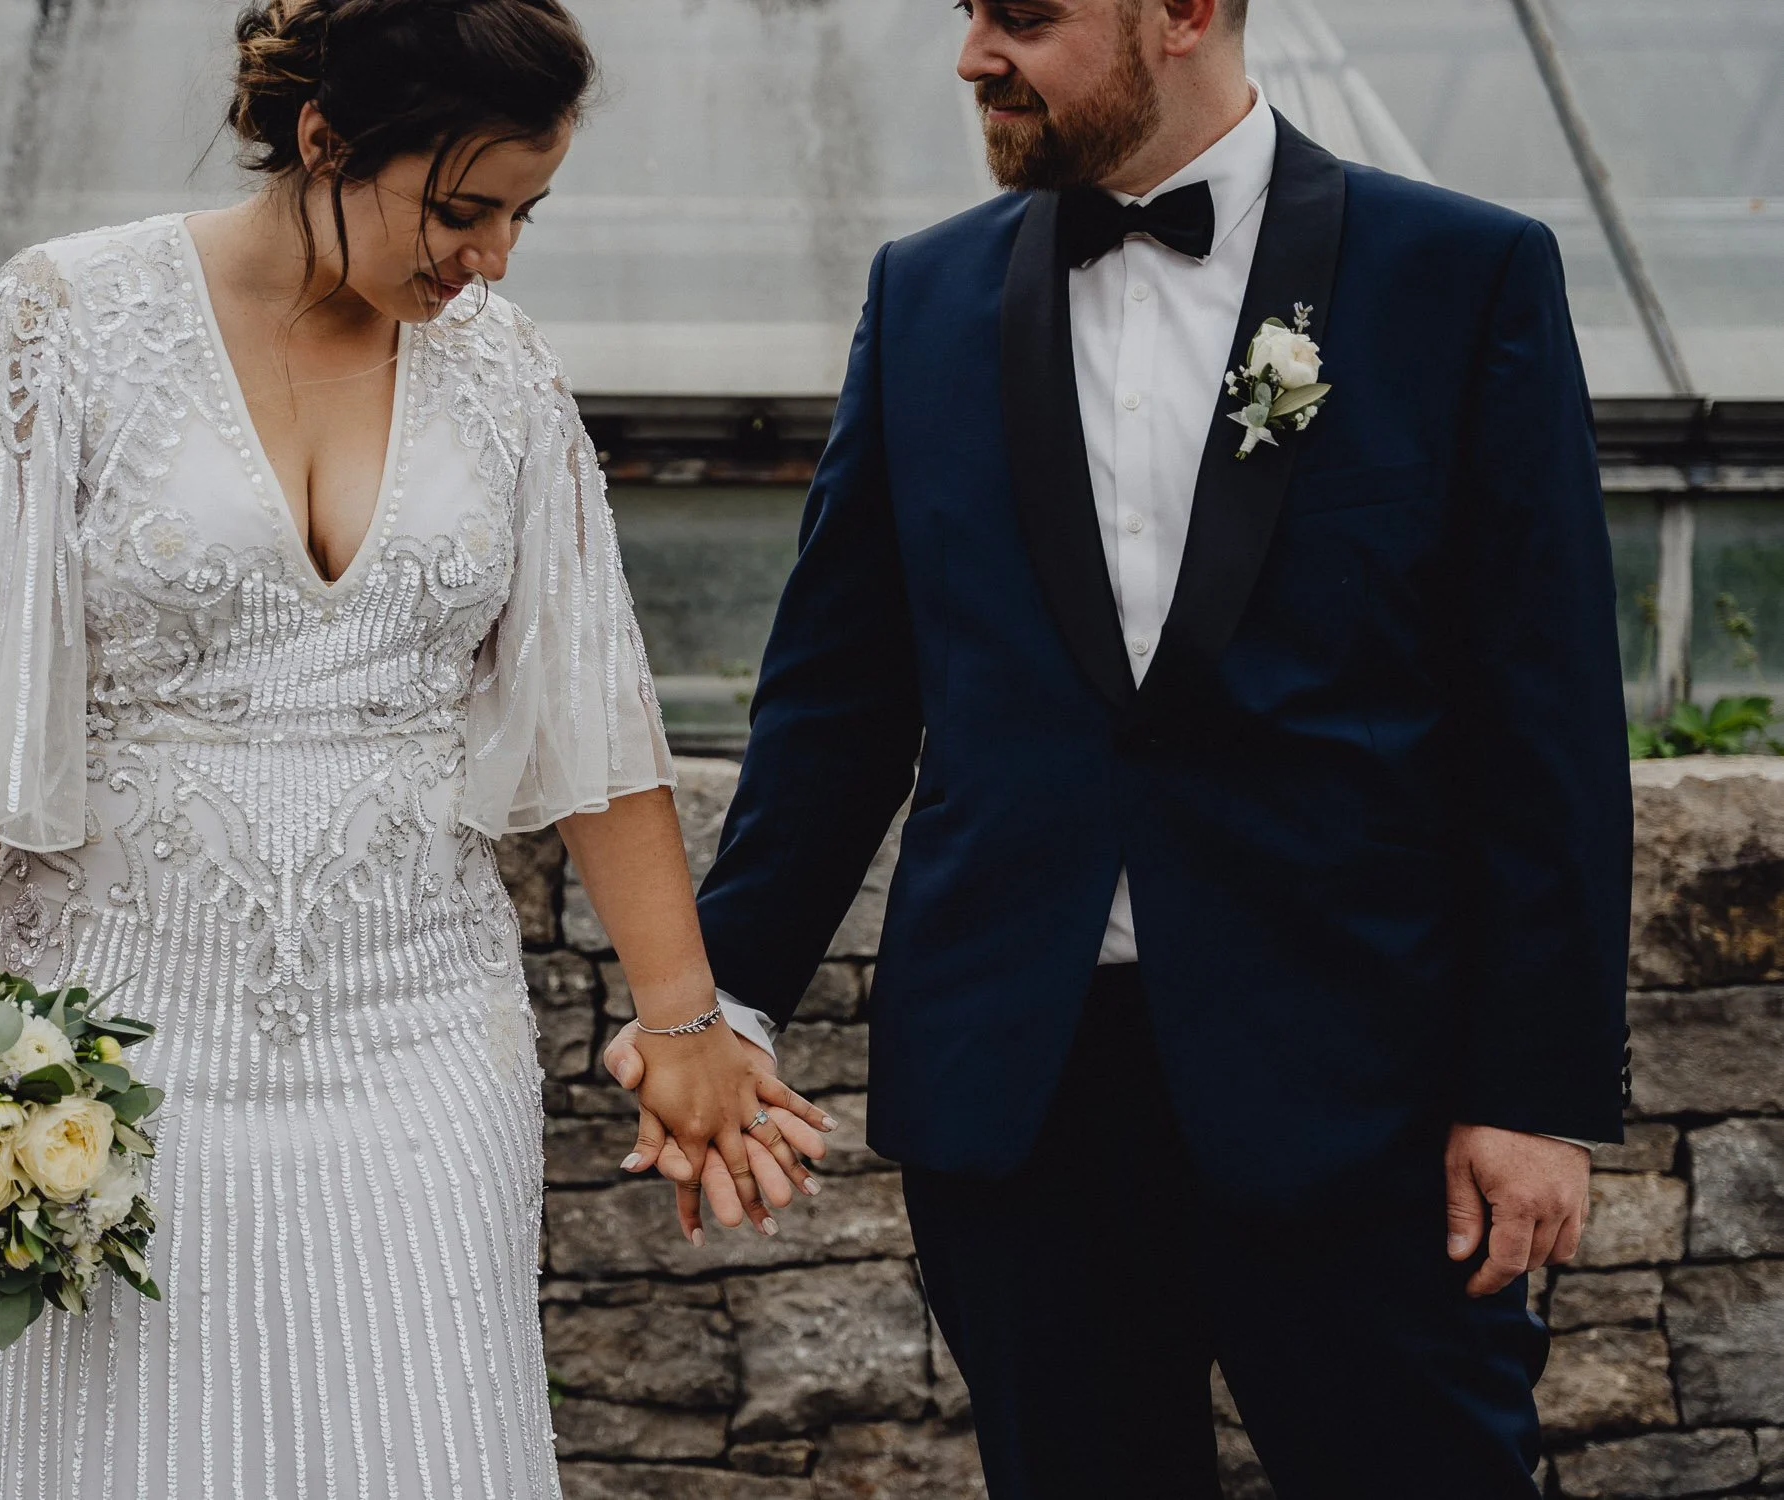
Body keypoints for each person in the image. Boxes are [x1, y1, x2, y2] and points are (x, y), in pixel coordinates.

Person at [623, 1, 1633, 1495]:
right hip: (1020, 1102)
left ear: (1180, 15)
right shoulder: (923, 296)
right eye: (967, 12)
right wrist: (721, 1001)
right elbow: (839, 695)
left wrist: (1533, 1092)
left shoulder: (1458, 275)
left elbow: (1540, 706)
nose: (972, 55)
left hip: (1361, 1091)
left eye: (1021, 16)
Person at [0, 2, 827, 1495]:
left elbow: (591, 714)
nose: (489, 257)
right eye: (461, 208)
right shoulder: (57, 324)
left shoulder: (503, 372)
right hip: (117, 1060)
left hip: (420, 1032)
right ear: (324, 141)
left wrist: (684, 1025)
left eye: (522, 216)